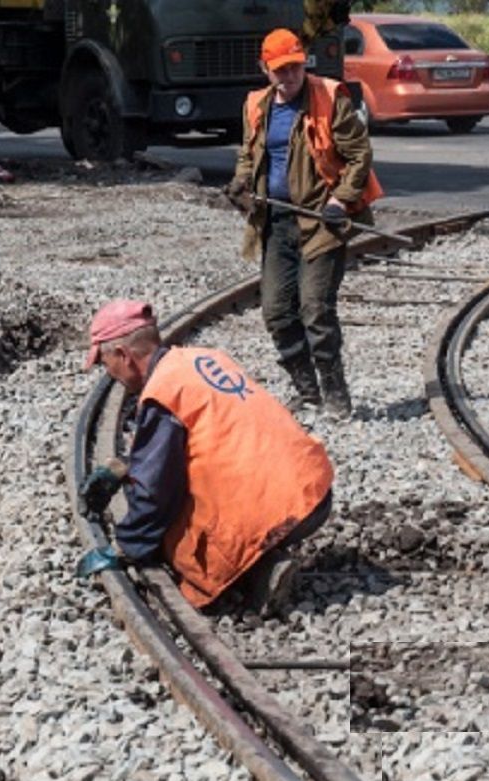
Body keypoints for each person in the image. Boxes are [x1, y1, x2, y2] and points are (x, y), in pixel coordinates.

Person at [78, 299, 334, 615]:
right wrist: (125, 467)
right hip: (314, 485)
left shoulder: (163, 392)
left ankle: (261, 570)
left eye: (105, 364)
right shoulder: (202, 358)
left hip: (283, 508)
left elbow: (155, 489)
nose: (109, 374)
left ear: (123, 355)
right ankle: (261, 553)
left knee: (181, 540)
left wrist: (126, 547)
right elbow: (211, 441)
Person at [225, 27, 382, 418]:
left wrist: (340, 200)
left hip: (321, 225)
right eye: (281, 70)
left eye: (295, 68)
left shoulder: (330, 98)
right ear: (265, 69)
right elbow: (248, 154)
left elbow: (359, 156)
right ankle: (307, 391)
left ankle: (335, 394)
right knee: (277, 311)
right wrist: (241, 181)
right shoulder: (256, 106)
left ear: (303, 64)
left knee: (315, 308)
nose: (289, 76)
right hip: (276, 222)